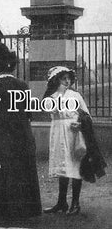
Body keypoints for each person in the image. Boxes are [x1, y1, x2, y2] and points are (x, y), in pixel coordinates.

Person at [0, 42, 42, 221]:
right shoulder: (22, 86)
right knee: (21, 170)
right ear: (13, 67)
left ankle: (1, 212)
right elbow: (29, 113)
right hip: (21, 135)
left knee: (1, 171)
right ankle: (23, 211)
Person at [42, 66, 92, 215]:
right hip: (58, 133)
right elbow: (47, 109)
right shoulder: (51, 97)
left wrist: (81, 123)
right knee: (62, 167)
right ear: (56, 80)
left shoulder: (75, 96)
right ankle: (61, 202)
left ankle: (75, 203)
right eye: (63, 78)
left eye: (68, 78)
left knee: (75, 166)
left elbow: (87, 115)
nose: (67, 81)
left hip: (73, 133)